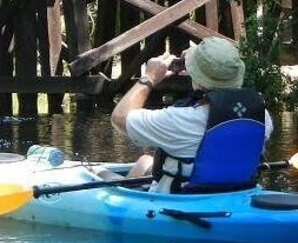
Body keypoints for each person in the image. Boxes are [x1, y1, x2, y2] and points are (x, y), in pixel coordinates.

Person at [111, 37, 273, 193]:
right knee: (145, 161)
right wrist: (199, 72)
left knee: (102, 175)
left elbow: (119, 117)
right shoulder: (261, 116)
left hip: (182, 200)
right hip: (236, 192)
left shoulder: (179, 120)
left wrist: (149, 78)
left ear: (196, 77)